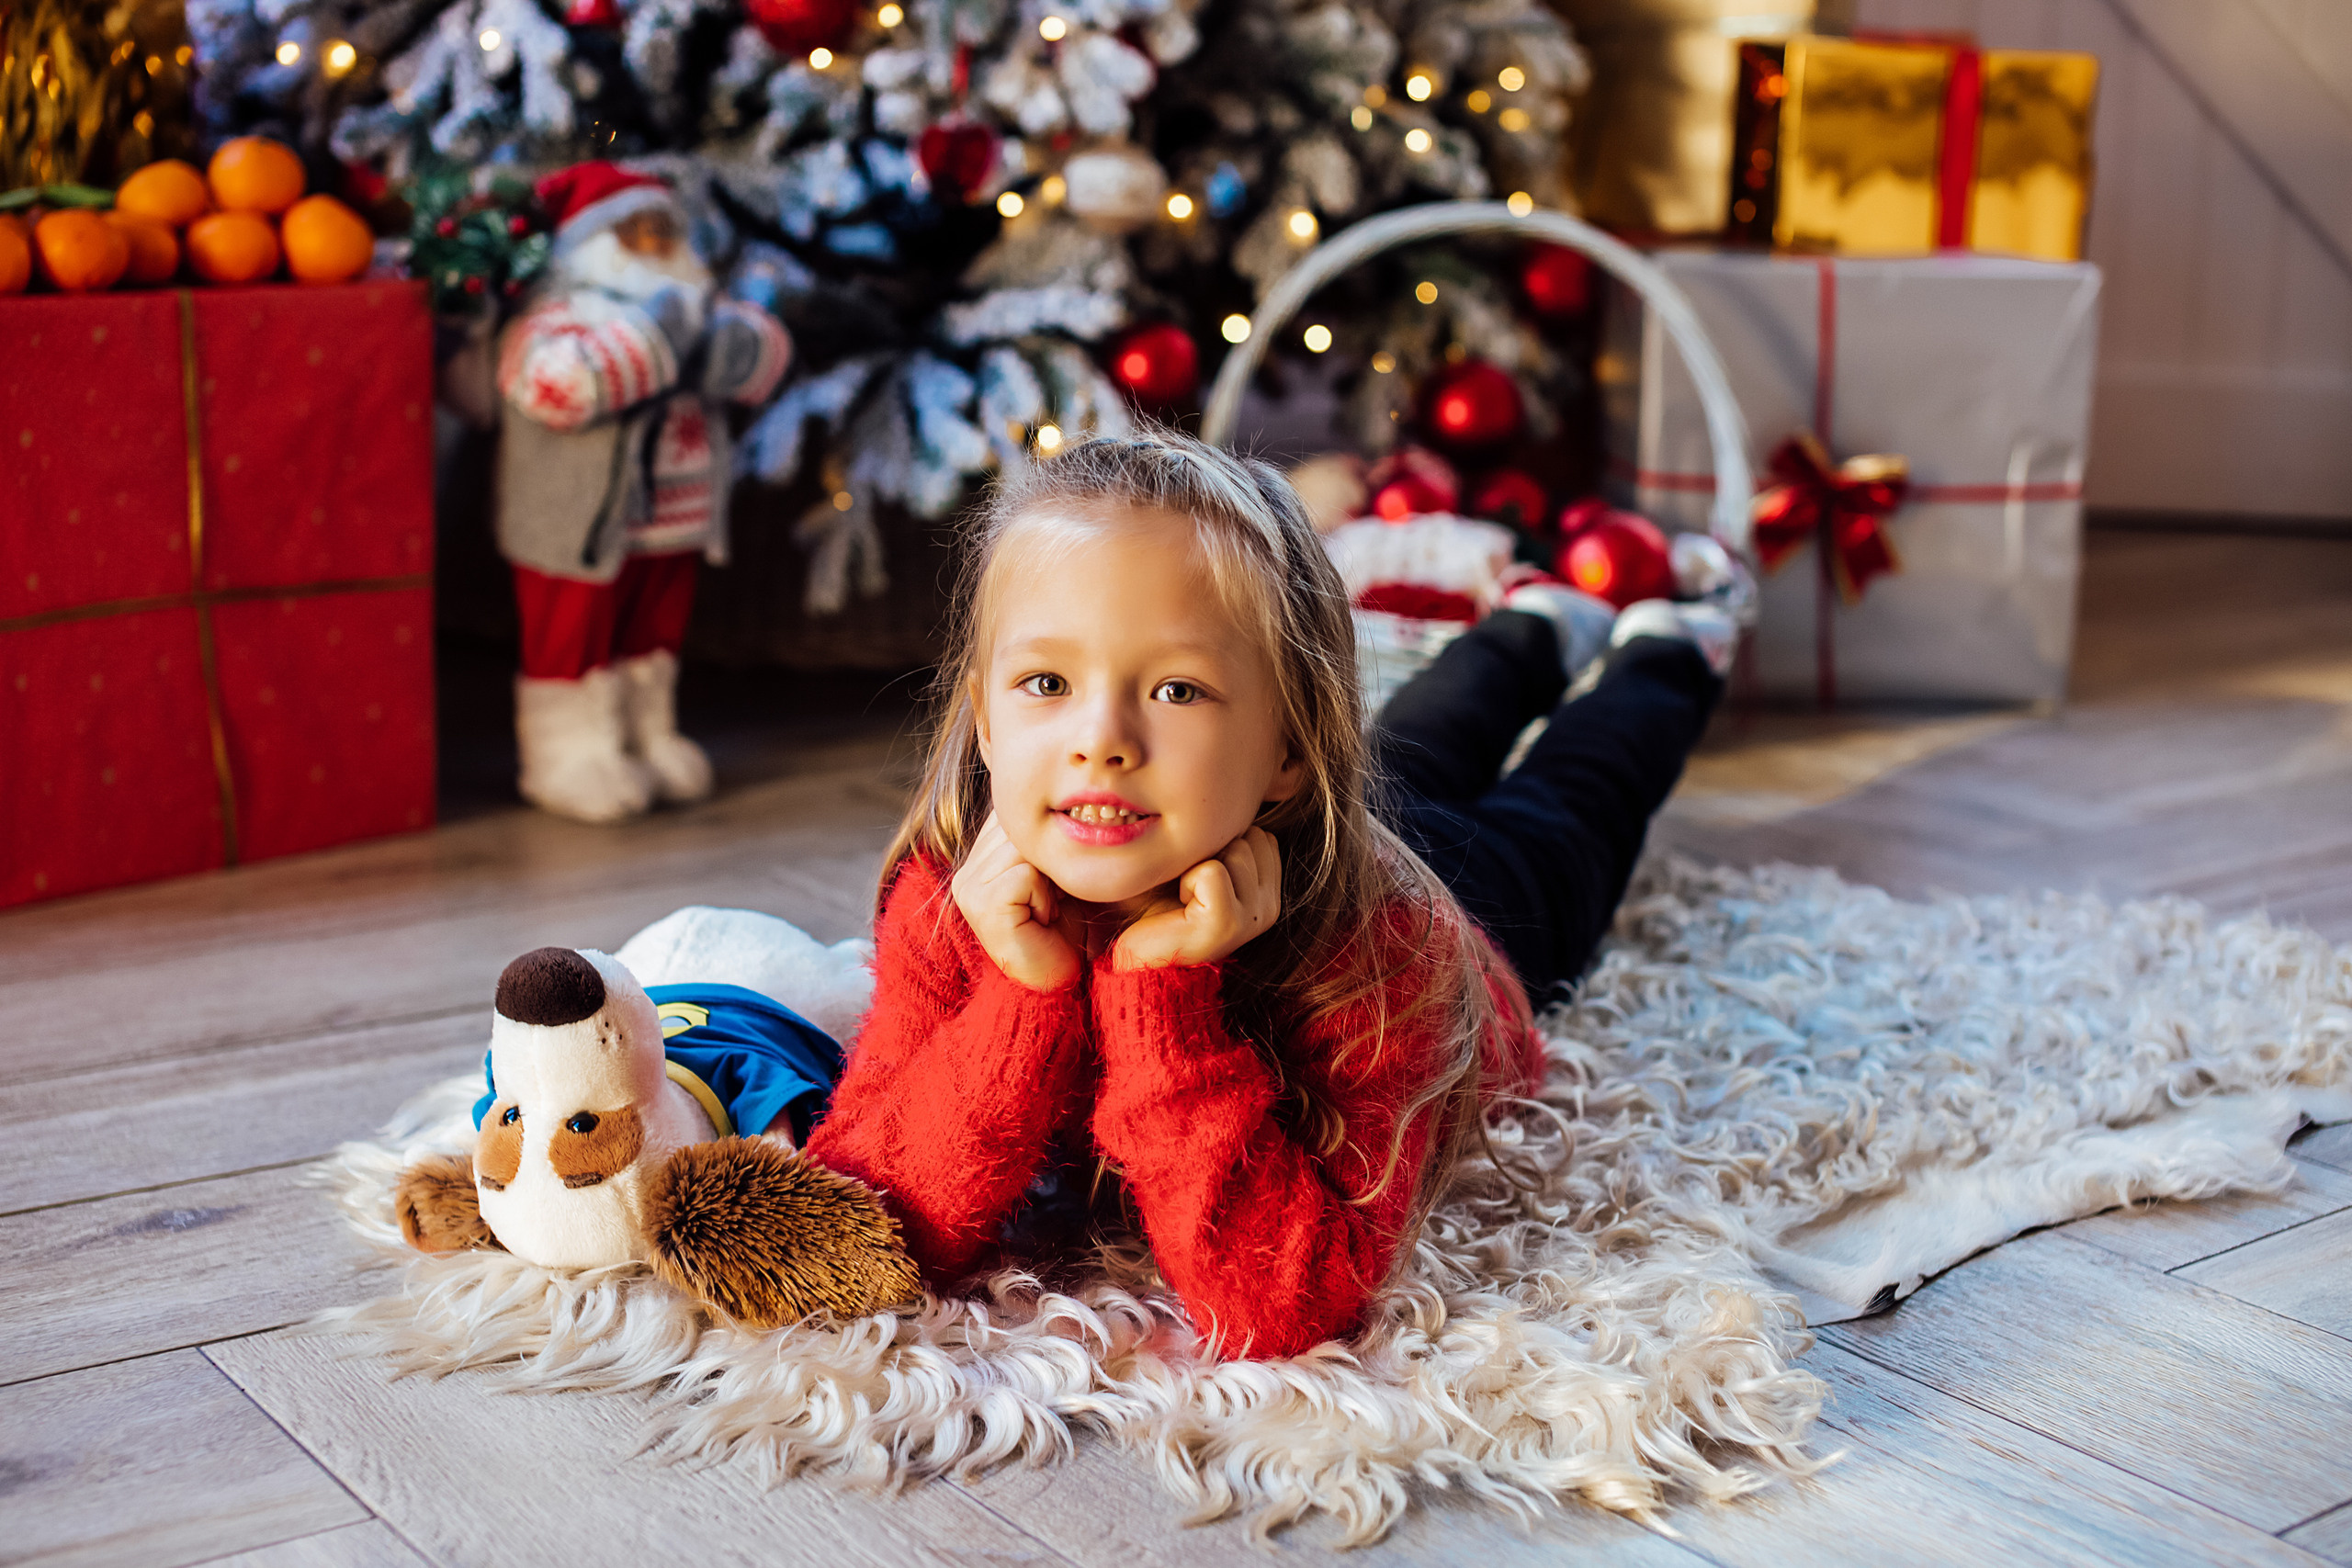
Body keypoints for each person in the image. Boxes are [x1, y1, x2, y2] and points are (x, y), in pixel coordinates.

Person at [801, 429, 1732, 1358]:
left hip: (1463, 924)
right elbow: (862, 1225)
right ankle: (1532, 621)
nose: (1101, 739)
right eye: (1046, 682)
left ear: (1288, 747)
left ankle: (1666, 649)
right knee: (1426, 736)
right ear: (986, 722)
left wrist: (1162, 1002)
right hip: (1296, 819)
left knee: (1572, 794)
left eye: (1175, 690)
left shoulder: (1379, 950)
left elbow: (1286, 1303)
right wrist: (1018, 998)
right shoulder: (949, 900)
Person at [494, 162, 793, 824]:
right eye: (636, 232)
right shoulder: (556, 318)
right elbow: (560, 386)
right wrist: (657, 336)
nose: (657, 244)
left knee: (651, 636)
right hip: (578, 525)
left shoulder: (694, 309)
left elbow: (761, 357)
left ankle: (646, 736)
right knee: (573, 636)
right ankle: (568, 753)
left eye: (667, 230)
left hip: (673, 521)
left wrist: (705, 337)